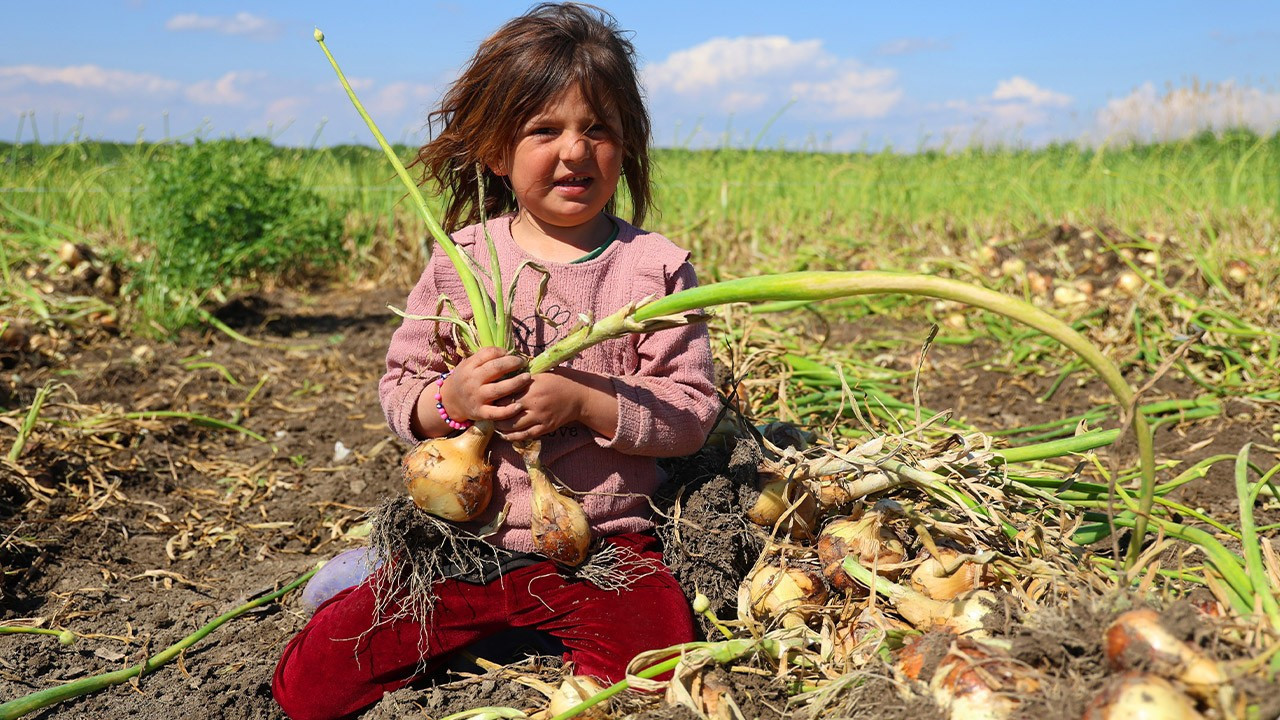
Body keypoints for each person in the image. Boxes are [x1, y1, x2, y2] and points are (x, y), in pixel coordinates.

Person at [272, 4, 719, 718]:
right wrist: (451, 399)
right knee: (307, 690)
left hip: (601, 547)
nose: (574, 151)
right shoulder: (464, 260)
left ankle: (522, 628)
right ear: (494, 150)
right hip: (461, 546)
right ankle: (389, 579)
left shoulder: (653, 270)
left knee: (657, 676)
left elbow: (691, 412)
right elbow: (400, 392)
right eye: (544, 130)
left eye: (597, 129)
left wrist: (583, 401)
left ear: (627, 143)